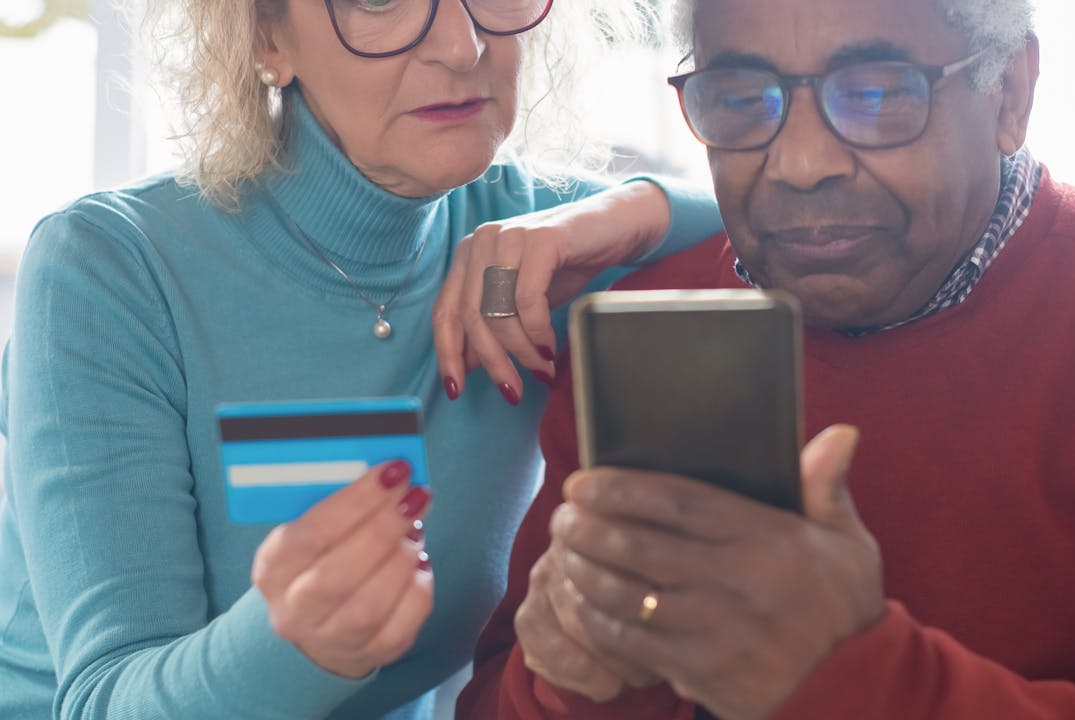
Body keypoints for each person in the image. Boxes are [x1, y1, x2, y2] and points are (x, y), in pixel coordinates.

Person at [0, 1, 724, 718]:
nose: (462, 44)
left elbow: (798, 227)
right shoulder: (108, 268)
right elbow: (101, 700)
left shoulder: (536, 250)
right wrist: (298, 647)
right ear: (265, 37)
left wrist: (630, 215)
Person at [456, 0, 1075, 717]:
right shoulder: (656, 327)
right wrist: (572, 684)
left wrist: (853, 672)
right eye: (743, 99)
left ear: (1011, 90)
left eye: (877, 93)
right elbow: (493, 700)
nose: (801, 164)